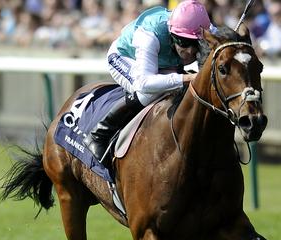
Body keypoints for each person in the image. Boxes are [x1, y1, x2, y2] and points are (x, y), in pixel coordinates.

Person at [83, 0, 211, 163]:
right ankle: (99, 134)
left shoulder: (203, 26)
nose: (191, 51)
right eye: (185, 42)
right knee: (149, 91)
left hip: (162, 63)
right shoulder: (150, 35)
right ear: (172, 33)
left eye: (196, 43)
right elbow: (144, 83)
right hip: (125, 57)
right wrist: (188, 78)